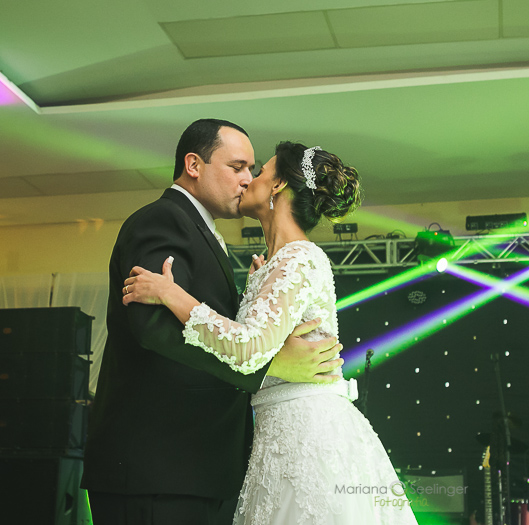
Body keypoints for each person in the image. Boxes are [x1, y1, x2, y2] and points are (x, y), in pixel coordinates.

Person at [121, 141, 418, 524]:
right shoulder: (277, 264)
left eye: (259, 172)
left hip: (306, 438)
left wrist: (172, 294)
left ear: (277, 187)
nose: (248, 181)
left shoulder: (300, 258)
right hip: (276, 436)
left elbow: (249, 349)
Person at [82, 120, 344, 525]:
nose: (247, 179)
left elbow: (225, 332)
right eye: (237, 167)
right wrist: (271, 366)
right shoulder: (163, 220)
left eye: (254, 170)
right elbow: (152, 327)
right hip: (159, 468)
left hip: (197, 468)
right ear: (194, 164)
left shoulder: (218, 236)